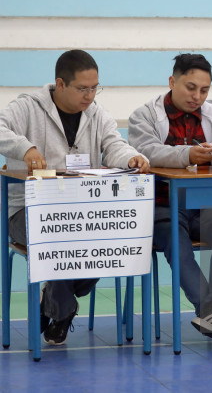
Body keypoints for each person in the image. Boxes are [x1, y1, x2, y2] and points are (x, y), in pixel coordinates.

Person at [0, 49, 149, 345]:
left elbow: (114, 145)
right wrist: (24, 148)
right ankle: (63, 310)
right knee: (60, 237)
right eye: (83, 88)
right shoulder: (27, 108)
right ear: (60, 84)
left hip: (82, 212)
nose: (90, 95)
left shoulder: (98, 114)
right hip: (26, 212)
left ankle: (52, 305)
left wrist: (132, 158)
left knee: (109, 238)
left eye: (95, 88)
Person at [127, 53, 212, 347]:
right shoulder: (144, 115)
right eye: (190, 87)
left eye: (204, 90)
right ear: (172, 81)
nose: (197, 96)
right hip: (162, 205)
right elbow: (146, 151)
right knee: (176, 241)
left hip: (205, 204)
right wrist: (188, 155)